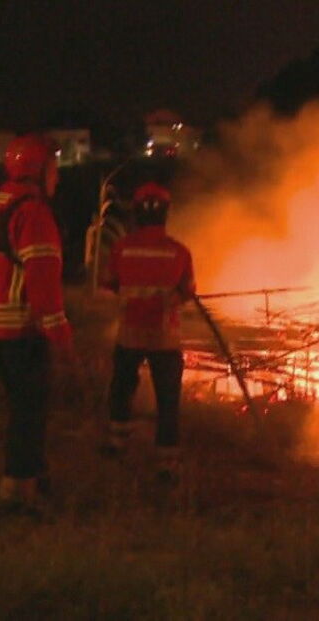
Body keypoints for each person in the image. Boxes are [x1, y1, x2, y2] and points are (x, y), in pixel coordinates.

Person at [0, 133, 73, 511]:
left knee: (21, 406)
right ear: (38, 170)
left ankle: (33, 476)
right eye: (54, 169)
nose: (57, 179)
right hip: (22, 329)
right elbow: (42, 280)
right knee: (30, 411)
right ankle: (18, 491)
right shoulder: (34, 213)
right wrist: (59, 330)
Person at [102, 181, 196, 481]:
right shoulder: (179, 252)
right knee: (167, 399)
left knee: (121, 388)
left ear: (136, 213)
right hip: (164, 337)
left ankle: (117, 443)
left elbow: (109, 285)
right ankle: (166, 462)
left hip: (129, 334)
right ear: (165, 214)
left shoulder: (121, 249)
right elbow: (188, 291)